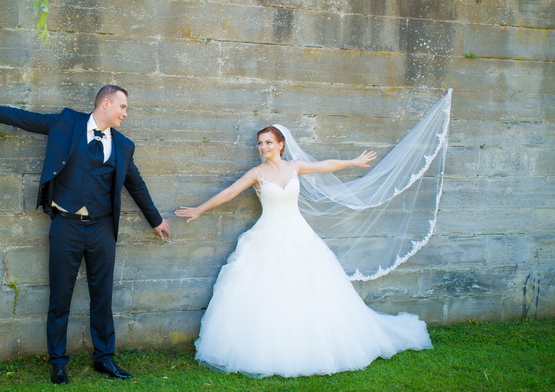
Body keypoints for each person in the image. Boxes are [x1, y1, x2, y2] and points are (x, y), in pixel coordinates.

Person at [0, 86, 171, 384]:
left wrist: (155, 219)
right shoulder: (66, 123)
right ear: (105, 103)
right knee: (60, 296)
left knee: (102, 296)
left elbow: (136, 185)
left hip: (102, 229)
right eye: (123, 107)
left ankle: (104, 358)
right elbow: (19, 118)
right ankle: (58, 362)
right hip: (66, 225)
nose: (125, 113)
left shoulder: (124, 146)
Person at [175, 125, 433, 378]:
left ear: (281, 144)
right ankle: (272, 346)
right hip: (267, 237)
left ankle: (313, 342)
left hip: (300, 235)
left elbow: (325, 165)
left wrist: (353, 161)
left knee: (311, 287)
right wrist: (200, 208)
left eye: (268, 142)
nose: (263, 147)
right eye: (260, 143)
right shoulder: (256, 173)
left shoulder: (294, 166)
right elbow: (229, 193)